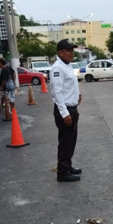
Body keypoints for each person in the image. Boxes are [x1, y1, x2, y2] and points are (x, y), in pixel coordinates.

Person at [50, 39, 82, 182]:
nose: (72, 53)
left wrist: (77, 95)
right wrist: (65, 114)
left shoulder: (67, 65)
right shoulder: (58, 68)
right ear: (60, 52)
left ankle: (67, 166)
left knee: (71, 141)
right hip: (65, 111)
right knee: (65, 143)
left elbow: (68, 86)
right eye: (68, 50)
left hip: (71, 109)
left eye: (72, 50)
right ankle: (62, 173)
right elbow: (57, 93)